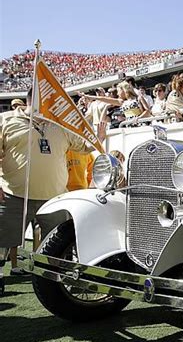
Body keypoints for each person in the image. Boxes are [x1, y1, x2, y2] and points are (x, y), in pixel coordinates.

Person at [0, 88, 105, 294]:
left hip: (54, 197)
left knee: (60, 243)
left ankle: (62, 283)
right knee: (3, 240)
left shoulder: (60, 125)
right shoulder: (6, 121)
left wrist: (98, 138)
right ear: (34, 100)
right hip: (14, 194)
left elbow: (83, 146)